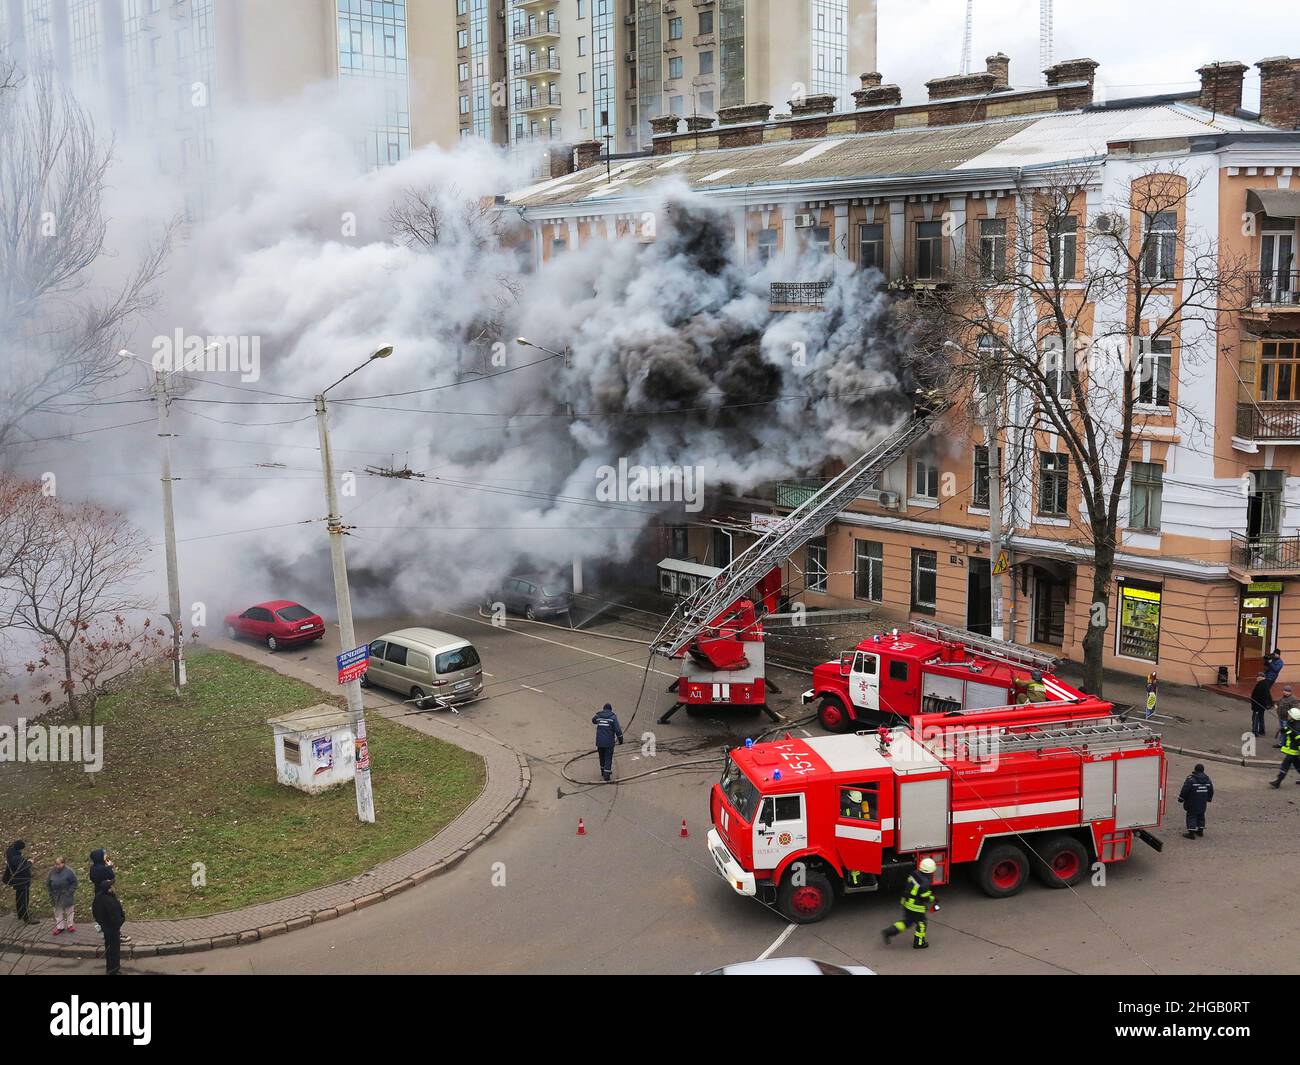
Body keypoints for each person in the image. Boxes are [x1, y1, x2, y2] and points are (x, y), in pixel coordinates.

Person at [881, 856, 939, 950]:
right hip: (916, 906)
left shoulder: (914, 873)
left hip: (906, 902)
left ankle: (889, 931)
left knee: (907, 922)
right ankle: (919, 943)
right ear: (931, 871)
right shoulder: (925, 882)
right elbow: (925, 897)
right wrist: (934, 898)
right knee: (922, 923)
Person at [91, 879, 126, 975]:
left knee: (109, 949)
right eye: (111, 886)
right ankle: (114, 970)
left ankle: (110, 968)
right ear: (108, 889)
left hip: (105, 928)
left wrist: (101, 923)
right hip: (112, 929)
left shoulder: (98, 897)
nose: (113, 887)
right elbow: (116, 917)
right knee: (114, 950)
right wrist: (122, 919)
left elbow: (95, 912)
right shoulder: (110, 901)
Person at [3, 840, 36, 924]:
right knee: (24, 899)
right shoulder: (16, 858)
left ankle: (20, 914)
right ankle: (27, 918)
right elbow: (22, 868)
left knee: (19, 897)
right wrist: (29, 862)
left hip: (16, 880)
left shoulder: (10, 852)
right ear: (20, 849)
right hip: (22, 880)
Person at [1177, 764, 1214, 839]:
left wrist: (1181, 798)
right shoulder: (1207, 779)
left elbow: (1185, 789)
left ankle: (1191, 833)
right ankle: (1200, 831)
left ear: (1195, 770)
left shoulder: (1191, 779)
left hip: (1192, 802)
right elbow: (1211, 790)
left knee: (1191, 815)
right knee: (1201, 815)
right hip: (1203, 802)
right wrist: (1209, 798)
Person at [591, 703, 624, 783]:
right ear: (610, 710)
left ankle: (603, 772)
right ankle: (606, 775)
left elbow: (593, 720)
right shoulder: (613, 717)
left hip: (599, 742)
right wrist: (620, 740)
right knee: (608, 758)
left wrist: (599, 719)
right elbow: (618, 730)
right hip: (609, 743)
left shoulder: (598, 716)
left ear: (603, 709)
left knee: (601, 757)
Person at [46, 857, 78, 936]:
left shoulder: (69, 872)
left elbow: (74, 882)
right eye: (56, 864)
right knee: (58, 912)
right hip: (56, 896)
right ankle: (60, 927)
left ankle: (70, 925)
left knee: (69, 911)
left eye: (59, 864)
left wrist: (70, 892)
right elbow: (48, 883)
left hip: (66, 895)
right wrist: (51, 893)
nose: (57, 866)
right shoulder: (52, 872)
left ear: (63, 863)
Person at [1270, 706, 1300, 788]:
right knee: (1298, 766)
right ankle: (1278, 782)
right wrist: (1283, 729)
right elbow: (1288, 729)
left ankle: (1277, 782)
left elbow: (1299, 740)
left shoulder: (1296, 728)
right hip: (1292, 751)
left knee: (1285, 766)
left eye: (1289, 715)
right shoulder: (1292, 723)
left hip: (1292, 751)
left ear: (1293, 717)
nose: (1288, 716)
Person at [1249, 671, 1274, 738]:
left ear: (1260, 677)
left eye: (1257, 677)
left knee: (1255, 719)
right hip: (1261, 706)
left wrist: (1253, 698)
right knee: (1261, 718)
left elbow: (1261, 696)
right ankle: (1261, 731)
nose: (1256, 678)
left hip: (1258, 706)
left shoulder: (1261, 685)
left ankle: (1255, 732)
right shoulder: (1265, 684)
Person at [1275, 684, 1299, 749]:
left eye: (1287, 691)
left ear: (1290, 692)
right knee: (1282, 731)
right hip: (1281, 718)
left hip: (1287, 719)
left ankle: (1284, 744)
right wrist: (1277, 705)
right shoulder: (1283, 697)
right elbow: (1278, 703)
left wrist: (1290, 718)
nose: (1285, 692)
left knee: (1286, 732)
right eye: (1284, 690)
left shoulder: (1293, 699)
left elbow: (1295, 709)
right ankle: (1281, 744)